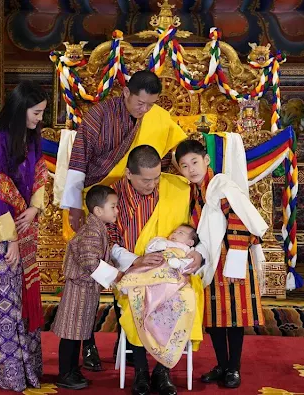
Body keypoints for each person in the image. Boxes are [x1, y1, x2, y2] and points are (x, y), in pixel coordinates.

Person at [58, 70, 187, 369]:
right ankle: (86, 344)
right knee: (89, 278)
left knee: (133, 270)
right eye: (140, 103)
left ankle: (128, 338)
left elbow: (170, 154)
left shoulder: (155, 117)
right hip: (98, 201)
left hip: (132, 201)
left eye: (150, 105)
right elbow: (79, 160)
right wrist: (76, 207)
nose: (144, 110)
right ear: (127, 93)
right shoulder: (98, 116)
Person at [0, 81, 48, 392]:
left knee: (22, 293)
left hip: (24, 225)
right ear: (19, 110)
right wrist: (11, 237)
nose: (40, 118)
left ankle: (29, 366)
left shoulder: (30, 137)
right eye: (36, 112)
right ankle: (7, 372)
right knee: (2, 299)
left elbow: (40, 174)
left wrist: (36, 208)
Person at [108, 145, 203, 395]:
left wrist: (198, 254)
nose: (152, 185)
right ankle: (140, 372)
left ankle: (162, 371)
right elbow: (108, 239)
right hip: (134, 270)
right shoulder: (113, 196)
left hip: (173, 272)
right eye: (145, 180)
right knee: (137, 302)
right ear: (129, 173)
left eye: (156, 178)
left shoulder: (178, 189)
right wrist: (134, 261)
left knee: (183, 300)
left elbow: (198, 229)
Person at [175, 139, 268, 389]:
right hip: (209, 258)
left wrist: (235, 259)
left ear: (206, 160)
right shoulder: (195, 191)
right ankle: (221, 364)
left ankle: (233, 368)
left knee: (234, 316)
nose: (191, 169)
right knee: (214, 315)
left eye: (195, 162)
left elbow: (239, 218)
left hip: (232, 258)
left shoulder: (220, 186)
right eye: (184, 166)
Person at [51, 185, 121, 390]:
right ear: (98, 211)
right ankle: (65, 373)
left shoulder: (97, 227)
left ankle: (73, 370)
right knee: (71, 334)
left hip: (86, 290)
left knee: (78, 333)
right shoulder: (91, 230)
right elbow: (90, 261)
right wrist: (116, 275)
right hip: (78, 290)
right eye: (114, 207)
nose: (117, 211)